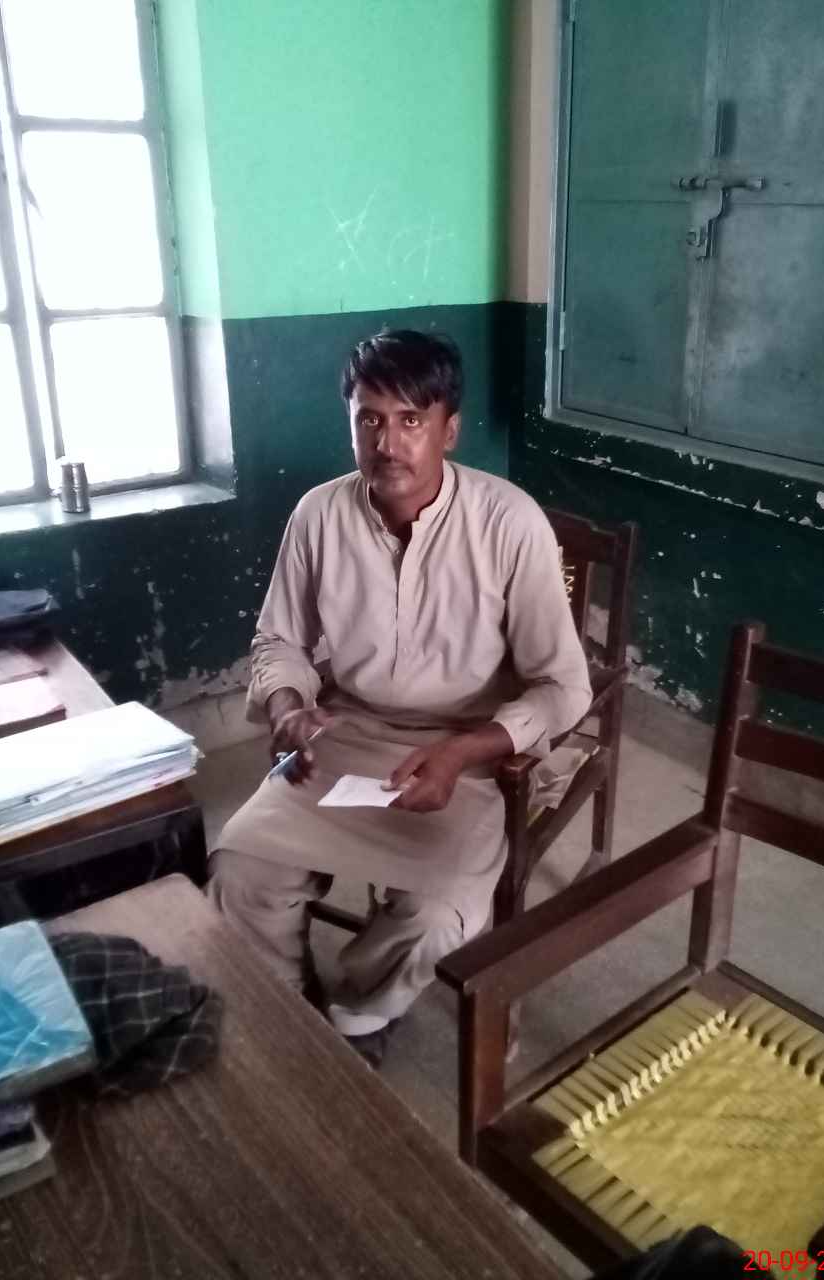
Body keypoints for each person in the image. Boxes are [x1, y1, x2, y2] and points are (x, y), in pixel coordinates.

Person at [207, 330, 591, 1065]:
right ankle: (288, 1001)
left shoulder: (509, 522)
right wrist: (288, 706)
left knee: (438, 915)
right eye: (369, 418)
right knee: (239, 867)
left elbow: (564, 685)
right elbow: (278, 640)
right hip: (343, 732)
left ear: (450, 429)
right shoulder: (318, 514)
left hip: (467, 753)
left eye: (412, 419)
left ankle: (358, 1016)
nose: (387, 443)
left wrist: (467, 749)